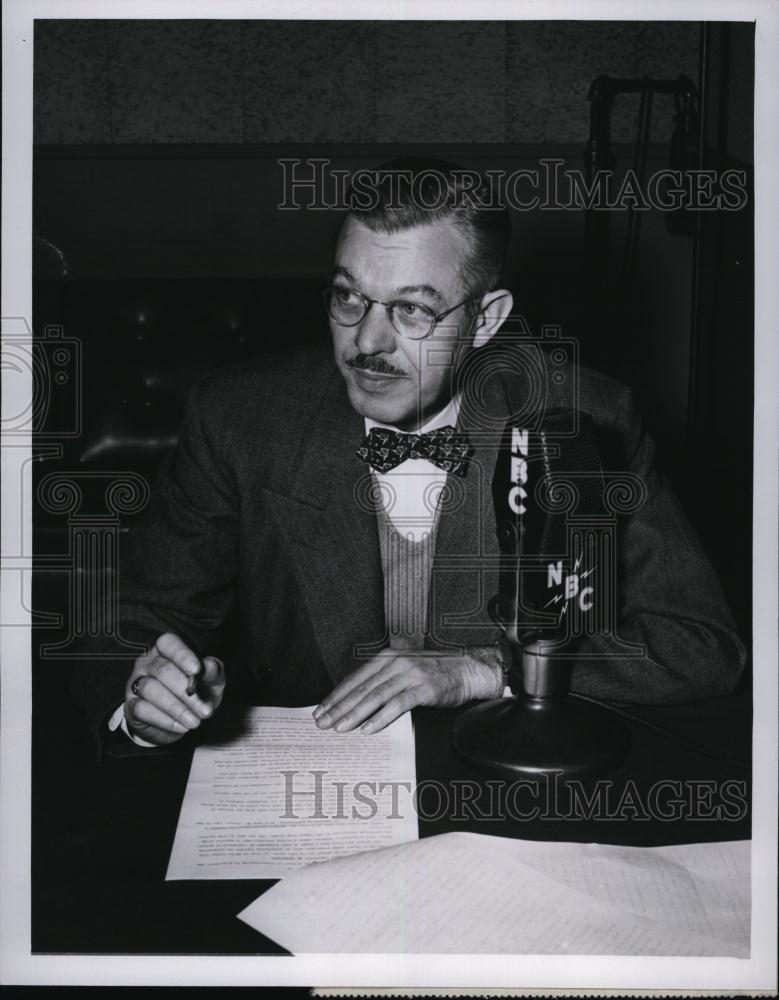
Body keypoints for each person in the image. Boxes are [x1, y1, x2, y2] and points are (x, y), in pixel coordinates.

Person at [71, 159, 746, 756]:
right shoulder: (241, 418)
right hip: (304, 791)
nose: (367, 341)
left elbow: (698, 646)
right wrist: (145, 700)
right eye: (348, 297)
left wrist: (483, 667)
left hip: (509, 781)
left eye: (412, 311)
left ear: (485, 319)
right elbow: (127, 630)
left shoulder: (581, 421)